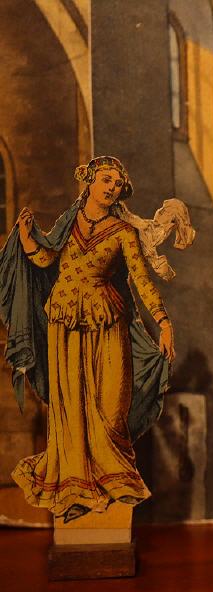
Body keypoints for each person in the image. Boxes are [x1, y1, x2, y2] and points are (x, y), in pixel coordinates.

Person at [0, 156, 175, 523]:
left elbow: (141, 279)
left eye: (117, 183)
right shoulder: (68, 223)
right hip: (64, 320)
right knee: (71, 406)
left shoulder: (123, 232)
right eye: (106, 179)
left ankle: (112, 484)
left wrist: (163, 322)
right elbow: (46, 260)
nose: (111, 187)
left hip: (107, 321)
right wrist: (28, 238)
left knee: (112, 407)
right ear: (90, 182)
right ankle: (77, 489)